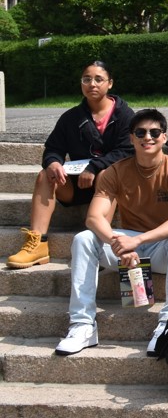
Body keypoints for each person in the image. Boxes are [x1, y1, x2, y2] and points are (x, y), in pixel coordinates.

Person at [56, 109, 168, 357]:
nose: (148, 137)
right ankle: (82, 324)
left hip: (161, 245)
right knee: (84, 239)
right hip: (125, 242)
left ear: (165, 137)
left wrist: (138, 240)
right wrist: (117, 242)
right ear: (131, 138)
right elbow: (94, 217)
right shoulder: (115, 171)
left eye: (155, 132)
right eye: (140, 132)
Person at [8, 61, 135, 269]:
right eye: (86, 79)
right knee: (44, 175)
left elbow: (126, 152)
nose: (92, 84)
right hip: (77, 186)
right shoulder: (70, 118)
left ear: (110, 84)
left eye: (98, 79)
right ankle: (38, 244)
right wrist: (53, 163)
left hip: (112, 187)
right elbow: (53, 148)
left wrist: (94, 167)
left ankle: (97, 243)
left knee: (106, 173)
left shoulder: (126, 116)